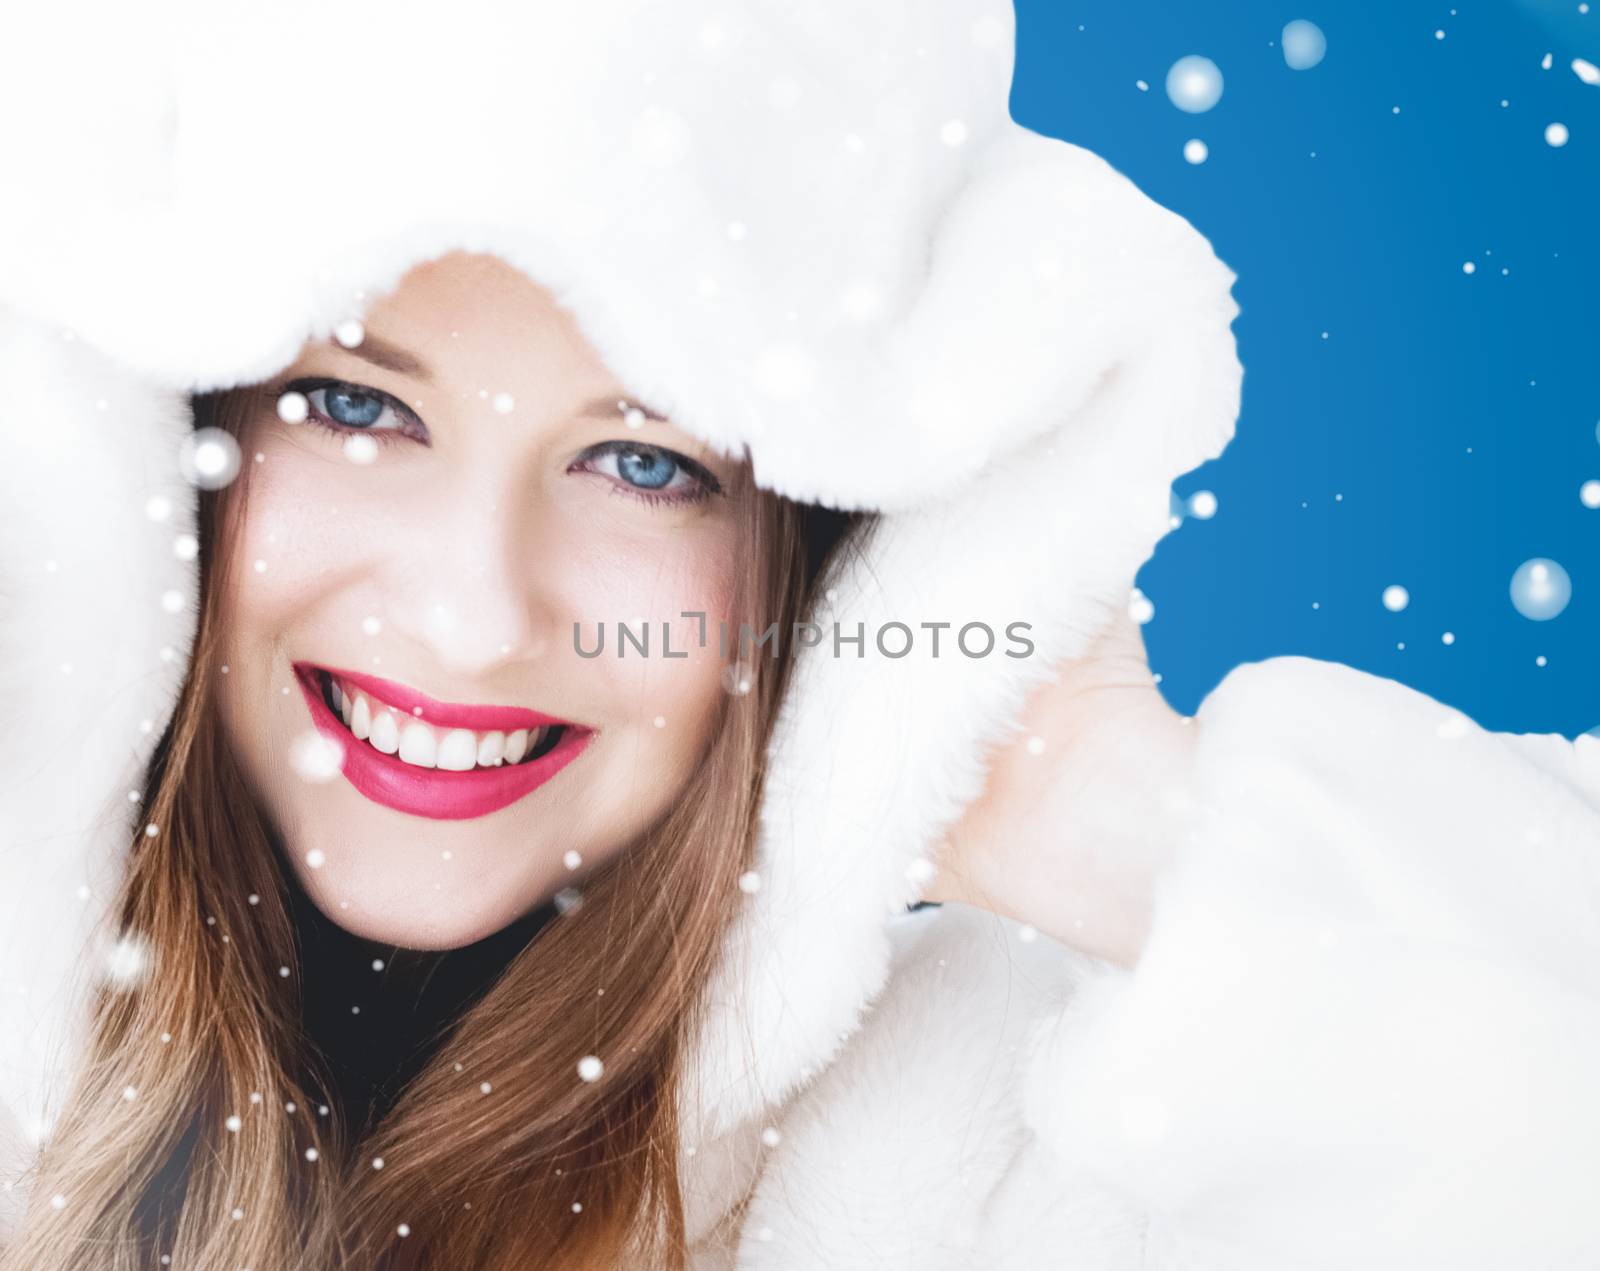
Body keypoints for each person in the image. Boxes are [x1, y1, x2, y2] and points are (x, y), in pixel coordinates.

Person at [2, 3, 1598, 1269]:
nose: (474, 617)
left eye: (646, 462)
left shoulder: (980, 1168)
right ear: (141, 451)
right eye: (356, 404)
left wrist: (1096, 806)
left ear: (833, 556)